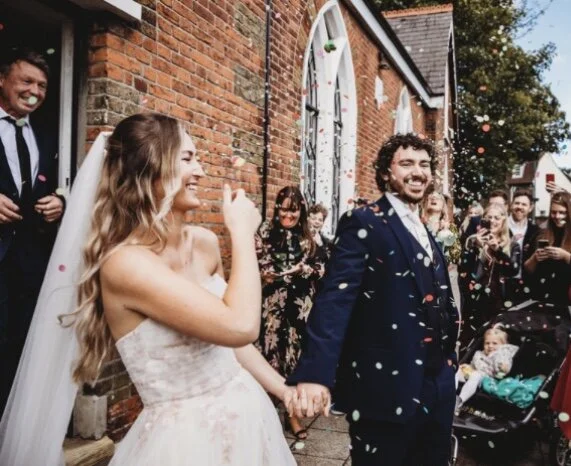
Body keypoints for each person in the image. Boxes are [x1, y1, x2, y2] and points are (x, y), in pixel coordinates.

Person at [0, 113, 298, 465]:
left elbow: (228, 342)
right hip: (185, 441)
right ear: (148, 169)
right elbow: (241, 325)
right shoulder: (125, 265)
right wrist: (243, 233)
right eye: (187, 159)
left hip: (247, 415)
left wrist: (282, 389)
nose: (200, 171)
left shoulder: (204, 243)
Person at [287, 133, 460, 465]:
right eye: (406, 163)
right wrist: (315, 373)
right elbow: (335, 300)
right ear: (385, 172)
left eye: (424, 164)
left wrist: (449, 365)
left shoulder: (425, 228)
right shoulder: (364, 222)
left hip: (437, 386)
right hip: (386, 388)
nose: (418, 172)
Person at [0, 47, 65, 415]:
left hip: (30, 264)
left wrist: (60, 202)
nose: (35, 92)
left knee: (21, 345)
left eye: (42, 85)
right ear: (2, 80)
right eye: (26, 81)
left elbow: (61, 183)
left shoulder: (48, 133)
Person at [255, 186, 327, 439]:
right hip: (272, 306)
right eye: (284, 209)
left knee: (294, 359)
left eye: (294, 210)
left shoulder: (307, 236)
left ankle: (292, 414)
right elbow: (258, 263)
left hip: (299, 308)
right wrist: (272, 273)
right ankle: (263, 415)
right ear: (277, 208)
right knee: (269, 356)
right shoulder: (265, 232)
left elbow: (321, 268)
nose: (288, 215)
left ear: (301, 211)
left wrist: (304, 270)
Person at [459, 205, 519, 352]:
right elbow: (462, 270)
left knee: (495, 348)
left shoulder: (512, 244)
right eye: (488, 218)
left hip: (499, 304)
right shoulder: (473, 242)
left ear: (504, 220)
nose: (492, 221)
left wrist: (497, 250)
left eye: (497, 218)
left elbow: (513, 270)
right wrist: (474, 248)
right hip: (474, 304)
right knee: (469, 348)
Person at [524, 192, 571, 306]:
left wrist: (566, 256)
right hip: (540, 297)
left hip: (565, 300)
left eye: (562, 212)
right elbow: (527, 269)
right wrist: (535, 258)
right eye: (554, 212)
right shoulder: (540, 233)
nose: (557, 216)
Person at [455, 327, 518, 413]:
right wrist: (466, 366)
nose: (490, 346)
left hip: (487, 379)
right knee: (455, 370)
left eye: (494, 343)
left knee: (476, 375)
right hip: (471, 374)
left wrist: (503, 369)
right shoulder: (479, 354)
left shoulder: (502, 355)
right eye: (487, 343)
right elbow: (473, 366)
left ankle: (459, 401)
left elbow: (503, 372)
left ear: (503, 345)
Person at [505, 189, 538, 303]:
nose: (519, 207)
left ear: (530, 208)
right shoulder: (501, 225)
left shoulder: (535, 231)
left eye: (524, 204)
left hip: (526, 283)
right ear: (511, 205)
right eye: (517, 203)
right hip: (503, 283)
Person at [420, 188, 461, 266]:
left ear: (443, 206)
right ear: (426, 203)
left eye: (438, 198)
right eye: (430, 197)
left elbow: (455, 256)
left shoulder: (450, 227)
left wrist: (446, 233)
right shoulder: (418, 224)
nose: (433, 199)